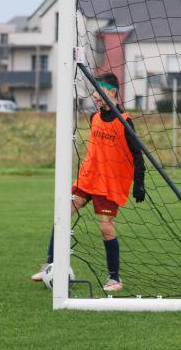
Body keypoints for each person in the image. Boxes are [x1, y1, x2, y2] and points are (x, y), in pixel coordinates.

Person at [31, 72, 146, 291]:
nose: (95, 95)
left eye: (98, 91)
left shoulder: (125, 120)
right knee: (63, 213)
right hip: (89, 177)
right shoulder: (95, 117)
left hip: (109, 183)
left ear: (112, 93)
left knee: (106, 228)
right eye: (94, 91)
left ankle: (115, 279)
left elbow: (137, 154)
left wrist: (140, 183)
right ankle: (49, 265)